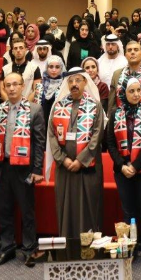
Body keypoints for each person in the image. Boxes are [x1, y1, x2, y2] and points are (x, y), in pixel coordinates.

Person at [0, 72, 47, 268]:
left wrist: (37, 169)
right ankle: (7, 248)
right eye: (8, 85)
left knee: (27, 210)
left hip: (25, 168)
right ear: (4, 88)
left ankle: (29, 249)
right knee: (3, 210)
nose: (11, 88)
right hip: (2, 166)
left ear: (23, 87)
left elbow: (39, 143)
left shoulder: (34, 109)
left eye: (15, 84)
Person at [47, 67, 105, 238]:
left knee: (89, 207)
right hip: (64, 168)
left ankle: (89, 247)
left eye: (78, 80)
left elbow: (97, 135)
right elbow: (51, 135)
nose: (74, 84)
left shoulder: (95, 106)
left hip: (88, 167)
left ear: (85, 82)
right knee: (66, 207)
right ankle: (68, 246)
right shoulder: (58, 106)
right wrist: (62, 159)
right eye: (70, 81)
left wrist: (80, 160)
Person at [107, 77, 141, 267]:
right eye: (132, 91)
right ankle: (130, 250)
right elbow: (110, 143)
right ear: (124, 94)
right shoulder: (115, 113)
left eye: (139, 90)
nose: (136, 94)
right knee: (128, 213)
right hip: (122, 170)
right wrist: (122, 165)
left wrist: (135, 166)